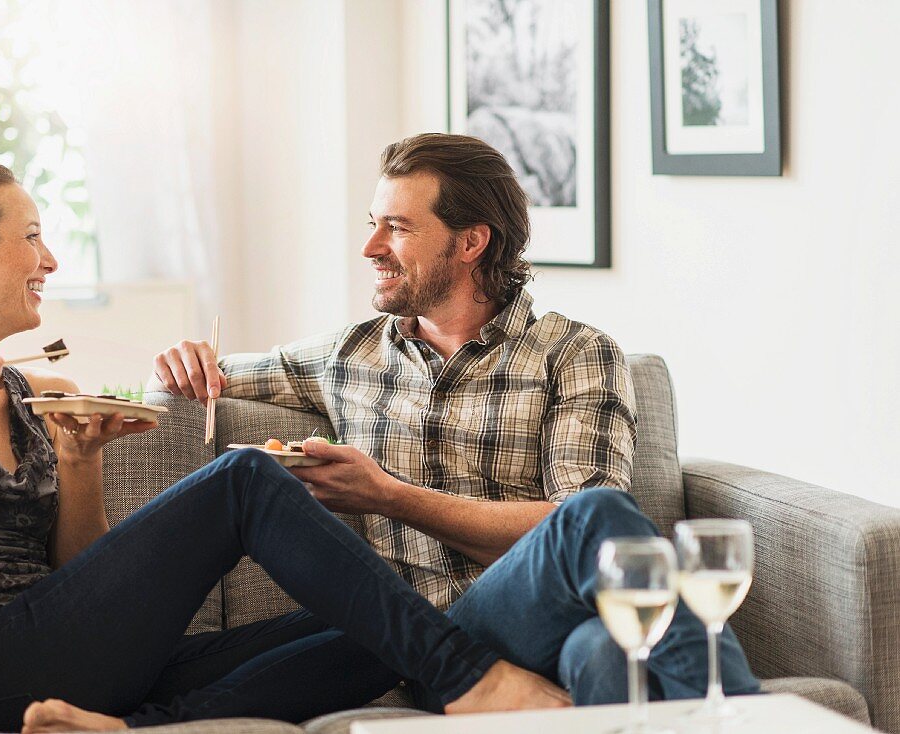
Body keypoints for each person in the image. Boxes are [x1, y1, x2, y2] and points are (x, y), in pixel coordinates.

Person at [0, 161, 571, 734]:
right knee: (242, 478)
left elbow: (72, 580)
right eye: (31, 239)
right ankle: (471, 679)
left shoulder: (29, 391)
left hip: (58, 657)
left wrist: (81, 464)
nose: (48, 260)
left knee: (381, 623)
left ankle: (128, 728)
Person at [145, 133, 762, 709]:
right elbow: (204, 377)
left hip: (540, 618)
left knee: (602, 649)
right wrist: (182, 360)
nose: (370, 248)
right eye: (372, 225)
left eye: (398, 228)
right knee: (599, 529)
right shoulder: (347, 356)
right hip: (425, 644)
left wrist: (388, 496)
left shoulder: (574, 354)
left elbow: (587, 540)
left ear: (470, 242)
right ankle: (751, 718)